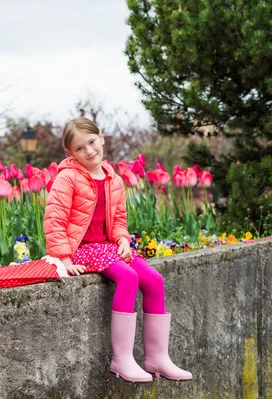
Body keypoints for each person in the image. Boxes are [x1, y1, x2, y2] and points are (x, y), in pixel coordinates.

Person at [43, 117, 192, 383]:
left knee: (154, 280)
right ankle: (122, 360)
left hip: (109, 246)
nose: (89, 151)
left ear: (101, 137)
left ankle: (157, 358)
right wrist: (63, 258)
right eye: (80, 148)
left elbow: (119, 219)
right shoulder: (67, 178)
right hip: (82, 249)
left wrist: (123, 239)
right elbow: (55, 220)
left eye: (91, 142)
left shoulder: (113, 179)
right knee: (128, 277)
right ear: (70, 153)